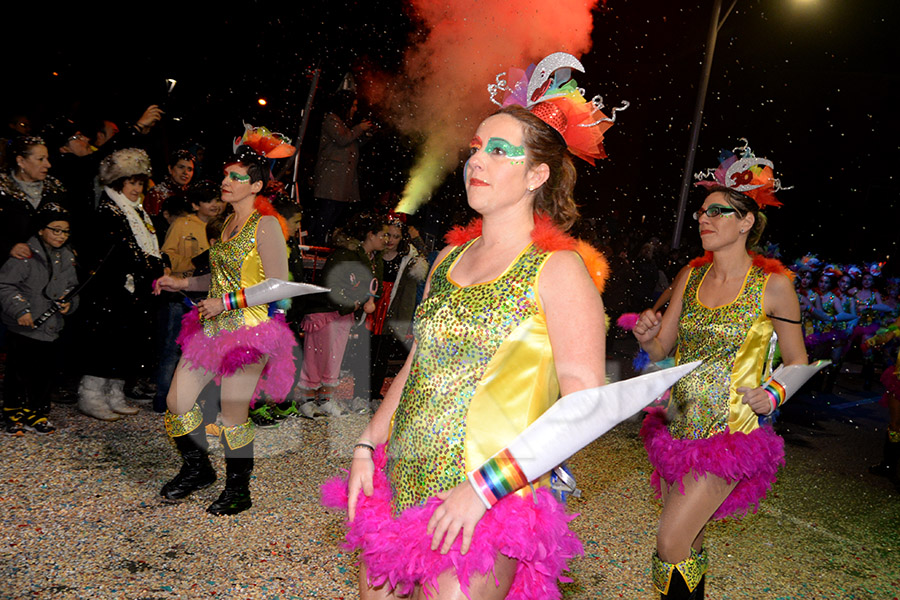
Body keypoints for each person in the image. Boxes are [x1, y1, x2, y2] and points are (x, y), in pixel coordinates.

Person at [323, 52, 622, 599]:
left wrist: (485, 488)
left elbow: (587, 405)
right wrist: (367, 445)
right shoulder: (446, 260)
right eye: (476, 148)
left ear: (537, 174)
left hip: (485, 497)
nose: (476, 160)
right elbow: (417, 365)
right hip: (401, 477)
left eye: (499, 150)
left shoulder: (560, 269)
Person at [633, 142, 808, 599]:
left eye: (717, 211)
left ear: (747, 221)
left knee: (670, 540)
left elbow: (798, 361)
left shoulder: (773, 286)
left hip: (728, 436)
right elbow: (662, 351)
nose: (703, 219)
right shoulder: (690, 276)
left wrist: (772, 393)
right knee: (689, 539)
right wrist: (647, 335)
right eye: (701, 213)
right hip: (678, 427)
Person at [152, 145, 296, 515]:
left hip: (249, 332)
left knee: (233, 413)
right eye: (225, 175)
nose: (226, 182)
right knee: (177, 402)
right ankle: (198, 469)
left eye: (237, 177)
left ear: (256, 186)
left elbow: (279, 285)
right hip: (211, 329)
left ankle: (238, 490)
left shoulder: (266, 226)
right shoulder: (226, 224)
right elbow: (219, 280)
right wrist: (180, 284)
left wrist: (227, 303)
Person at [76, 148, 165, 421]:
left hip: (130, 291)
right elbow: (119, 253)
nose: (137, 188)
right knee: (104, 344)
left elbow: (146, 248)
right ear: (117, 182)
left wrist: (157, 266)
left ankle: (114, 392)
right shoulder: (108, 211)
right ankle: (90, 394)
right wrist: (150, 267)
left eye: (140, 182)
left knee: (124, 344)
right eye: (132, 182)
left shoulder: (137, 212)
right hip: (109, 292)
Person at [295, 212, 384, 418]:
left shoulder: (372, 259)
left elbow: (372, 287)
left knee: (334, 357)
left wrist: (363, 302)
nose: (385, 241)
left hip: (344, 314)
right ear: (370, 235)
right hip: (325, 312)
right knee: (316, 356)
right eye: (382, 235)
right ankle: (307, 400)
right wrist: (349, 303)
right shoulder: (345, 254)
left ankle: (325, 399)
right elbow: (330, 284)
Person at [0, 204, 78, 435]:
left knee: (44, 374)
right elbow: (5, 284)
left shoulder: (67, 256)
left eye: (65, 231)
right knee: (18, 372)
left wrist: (70, 303)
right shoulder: (25, 255)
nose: (61, 236)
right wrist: (20, 310)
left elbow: (73, 287)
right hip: (24, 327)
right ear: (41, 230)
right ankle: (13, 412)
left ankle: (38, 412)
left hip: (52, 327)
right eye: (55, 230)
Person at [152, 183, 224, 412]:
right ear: (195, 204)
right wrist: (180, 271)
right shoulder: (182, 224)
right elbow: (167, 254)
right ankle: (163, 398)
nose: (215, 205)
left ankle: (194, 400)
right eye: (208, 200)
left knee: (200, 351)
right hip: (181, 294)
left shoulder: (224, 227)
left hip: (208, 299)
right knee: (173, 346)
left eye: (217, 199)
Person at [368, 214, 429, 404]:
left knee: (381, 352)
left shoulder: (406, 259)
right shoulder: (374, 254)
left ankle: (374, 392)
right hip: (372, 305)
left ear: (402, 238)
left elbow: (408, 293)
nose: (390, 241)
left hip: (390, 308)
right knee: (365, 350)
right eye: (388, 235)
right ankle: (360, 391)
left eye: (395, 236)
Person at [309, 90, 373, 244]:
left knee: (334, 212)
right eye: (353, 105)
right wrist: (359, 128)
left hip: (341, 179)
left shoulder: (344, 123)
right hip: (332, 178)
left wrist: (366, 135)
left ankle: (322, 241)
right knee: (327, 212)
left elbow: (352, 143)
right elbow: (342, 139)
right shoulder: (331, 119)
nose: (355, 109)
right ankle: (316, 243)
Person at [0, 137, 68, 260]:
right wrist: (8, 247)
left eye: (47, 158)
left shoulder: (55, 189)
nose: (48, 164)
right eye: (40, 159)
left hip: (49, 264)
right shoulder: (3, 190)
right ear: (21, 161)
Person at [144, 149, 196, 217]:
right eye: (181, 167)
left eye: (189, 169)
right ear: (170, 169)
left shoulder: (193, 194)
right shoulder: (156, 193)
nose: (185, 172)